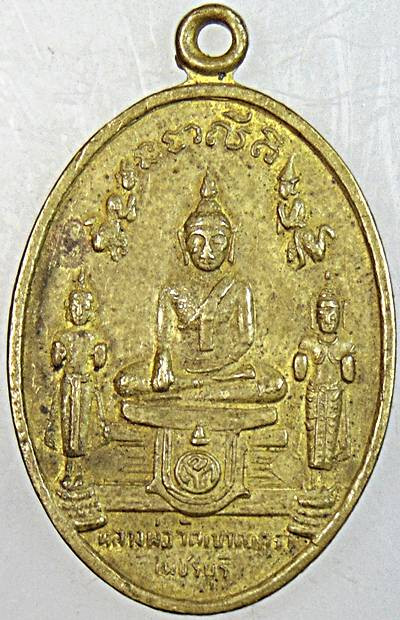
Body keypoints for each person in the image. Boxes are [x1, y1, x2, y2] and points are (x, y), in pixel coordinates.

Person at [115, 172, 286, 404]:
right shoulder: (172, 291)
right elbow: (164, 340)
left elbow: (245, 339)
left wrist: (217, 364)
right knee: (125, 382)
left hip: (227, 370)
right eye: (197, 241)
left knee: (276, 385)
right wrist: (163, 360)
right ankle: (201, 392)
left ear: (230, 243)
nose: (207, 252)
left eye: (216, 241)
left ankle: (190, 393)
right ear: (183, 242)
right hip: (182, 368)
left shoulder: (239, 289)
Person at [293, 287, 355, 471]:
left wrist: (347, 361)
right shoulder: (309, 344)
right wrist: (301, 359)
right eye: (323, 316)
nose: (328, 321)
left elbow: (349, 376)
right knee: (313, 427)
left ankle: (327, 462)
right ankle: (314, 462)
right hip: (315, 391)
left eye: (332, 317)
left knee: (330, 429)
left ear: (339, 317)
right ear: (316, 319)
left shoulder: (344, 346)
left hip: (334, 392)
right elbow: (299, 374)